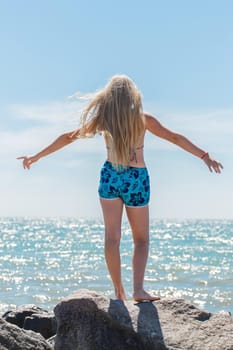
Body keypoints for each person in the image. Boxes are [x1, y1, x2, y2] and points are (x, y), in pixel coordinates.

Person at [17, 75, 223, 302]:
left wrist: (36, 156)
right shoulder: (144, 120)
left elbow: (68, 137)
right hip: (136, 178)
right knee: (141, 240)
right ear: (133, 96)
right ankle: (138, 290)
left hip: (111, 176)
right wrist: (204, 155)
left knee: (111, 238)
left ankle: (119, 292)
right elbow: (174, 138)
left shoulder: (103, 121)